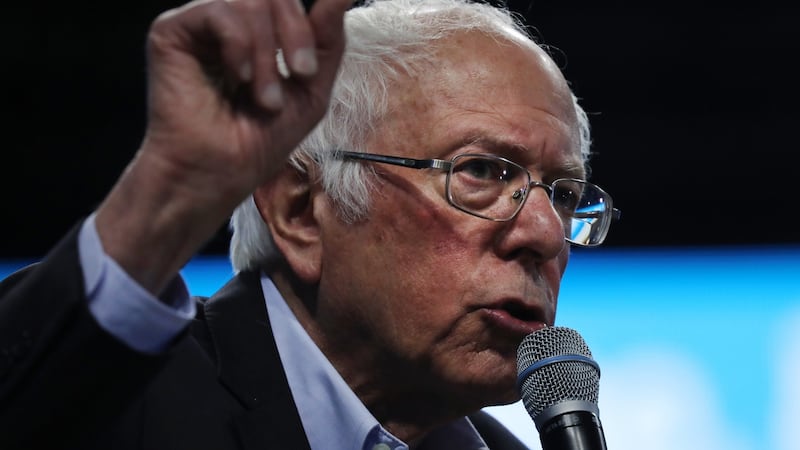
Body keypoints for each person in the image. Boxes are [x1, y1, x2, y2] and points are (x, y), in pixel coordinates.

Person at [0, 0, 619, 448]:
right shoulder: (123, 403)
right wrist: (165, 193)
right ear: (301, 212)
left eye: (564, 195)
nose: (543, 231)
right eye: (482, 170)